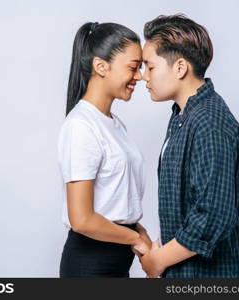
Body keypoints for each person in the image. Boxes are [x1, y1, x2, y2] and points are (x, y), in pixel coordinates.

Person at [139, 14, 239, 278]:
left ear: (180, 68)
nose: (144, 77)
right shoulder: (183, 115)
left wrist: (158, 260)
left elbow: (213, 214)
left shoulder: (209, 121)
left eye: (150, 67)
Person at [57, 21, 152, 278]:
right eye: (133, 67)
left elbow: (114, 202)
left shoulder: (113, 124)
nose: (141, 76)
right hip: (91, 264)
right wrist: (135, 238)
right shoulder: (81, 126)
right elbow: (82, 219)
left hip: (115, 261)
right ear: (101, 66)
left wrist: (140, 231)